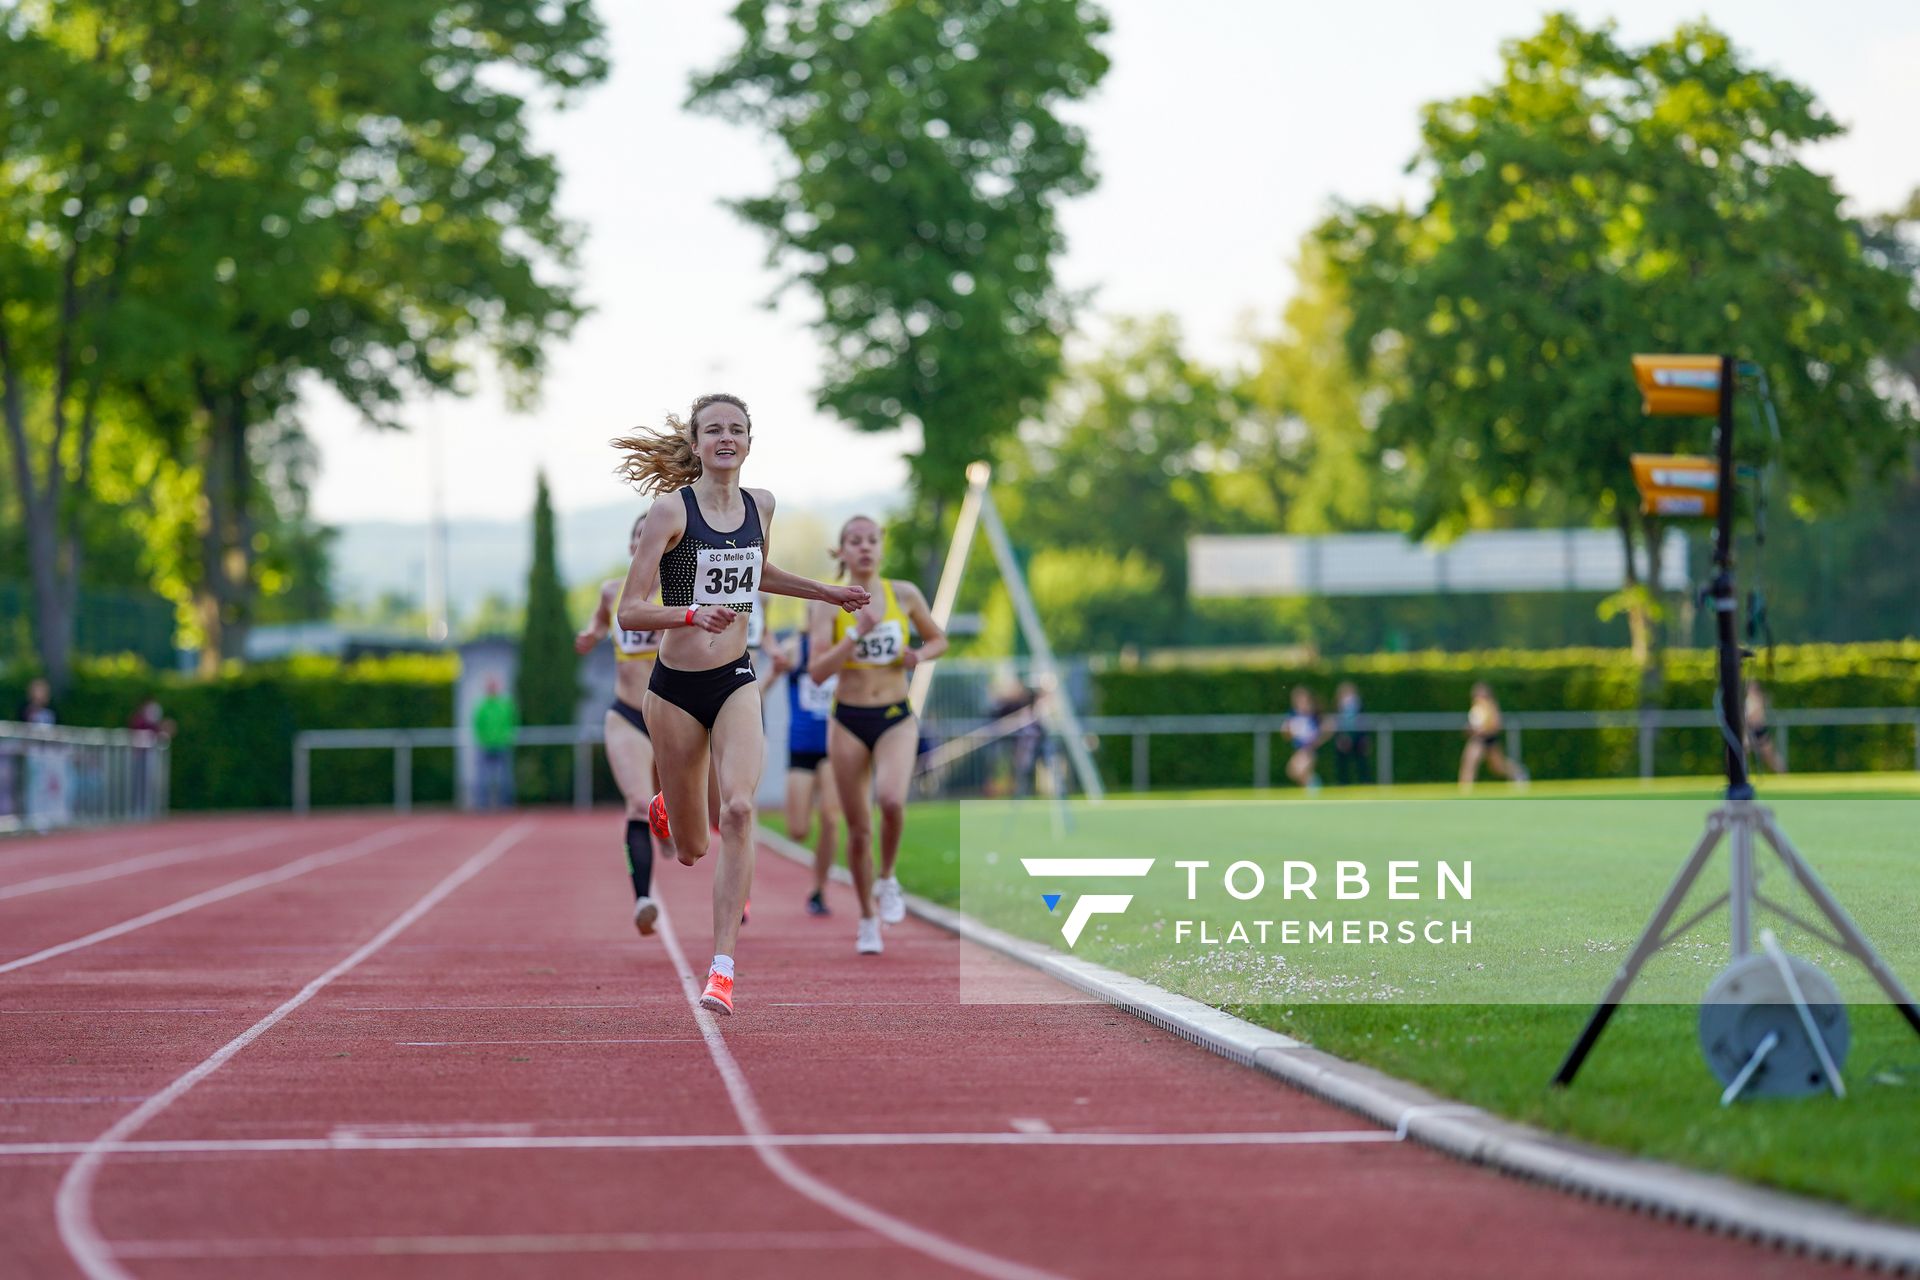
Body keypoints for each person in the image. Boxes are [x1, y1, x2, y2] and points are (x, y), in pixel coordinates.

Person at [610, 392, 867, 1016]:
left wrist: (826, 591)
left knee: (743, 808)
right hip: (672, 691)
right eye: (713, 430)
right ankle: (668, 805)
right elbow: (631, 609)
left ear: (749, 442)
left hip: (735, 678)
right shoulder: (672, 511)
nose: (726, 438)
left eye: (736, 429)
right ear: (696, 444)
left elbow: (759, 573)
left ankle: (722, 969)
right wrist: (693, 612)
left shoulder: (762, 505)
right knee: (693, 848)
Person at [807, 515, 949, 956]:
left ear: (881, 548)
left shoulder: (902, 594)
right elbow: (816, 672)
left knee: (890, 801)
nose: (865, 547)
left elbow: (939, 640)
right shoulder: (825, 602)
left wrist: (918, 655)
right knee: (858, 829)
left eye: (872, 540)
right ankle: (867, 919)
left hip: (894, 715)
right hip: (847, 718)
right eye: (855, 541)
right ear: (842, 552)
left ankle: (887, 879)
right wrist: (855, 636)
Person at [575, 512, 668, 937]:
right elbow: (597, 619)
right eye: (637, 535)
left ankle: (666, 822)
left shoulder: (681, 591)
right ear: (633, 545)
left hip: (672, 715)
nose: (643, 542)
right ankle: (643, 899)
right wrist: (591, 633)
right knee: (636, 801)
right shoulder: (613, 591)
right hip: (627, 713)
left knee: (677, 817)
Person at [780, 625, 841, 916]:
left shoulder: (845, 645)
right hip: (801, 747)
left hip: (834, 747)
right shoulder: (796, 648)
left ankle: (819, 889)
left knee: (830, 818)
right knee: (798, 830)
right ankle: (817, 878)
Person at [1459, 682, 1528, 791]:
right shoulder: (1476, 707)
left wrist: (1482, 730)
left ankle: (1519, 773)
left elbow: (1495, 725)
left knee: (1498, 767)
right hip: (1478, 739)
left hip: (1489, 739)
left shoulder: (1491, 706)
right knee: (1470, 762)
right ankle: (1465, 789)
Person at [471, 677, 518, 810]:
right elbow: (477, 725)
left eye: (494, 686)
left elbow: (512, 722)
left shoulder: (505, 705)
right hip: (485, 745)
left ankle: (506, 804)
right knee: (483, 778)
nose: (492, 689)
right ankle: (482, 804)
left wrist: (508, 737)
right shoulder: (482, 706)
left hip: (502, 744)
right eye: (490, 687)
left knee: (505, 777)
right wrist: (482, 739)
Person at [1282, 686, 1327, 792]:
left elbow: (1327, 727)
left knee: (1299, 770)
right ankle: (1311, 788)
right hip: (1299, 748)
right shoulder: (1292, 715)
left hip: (1308, 749)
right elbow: (1286, 734)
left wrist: (1317, 741)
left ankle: (1314, 788)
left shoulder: (1313, 715)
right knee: (1294, 772)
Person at [1330, 681, 1370, 786]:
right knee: (1342, 763)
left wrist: (1364, 738)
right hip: (1343, 738)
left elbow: (1363, 723)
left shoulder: (1359, 705)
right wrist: (1341, 737)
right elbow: (1336, 723)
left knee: (1361, 762)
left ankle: (1365, 782)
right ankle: (1343, 783)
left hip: (1358, 737)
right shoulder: (1338, 706)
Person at [1745, 679, 1786, 774]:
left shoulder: (1758, 698)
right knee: (1741, 752)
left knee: (1770, 757)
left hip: (1759, 731)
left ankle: (1783, 772)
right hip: (1749, 731)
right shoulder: (1747, 699)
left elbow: (1753, 714)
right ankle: (1741, 774)